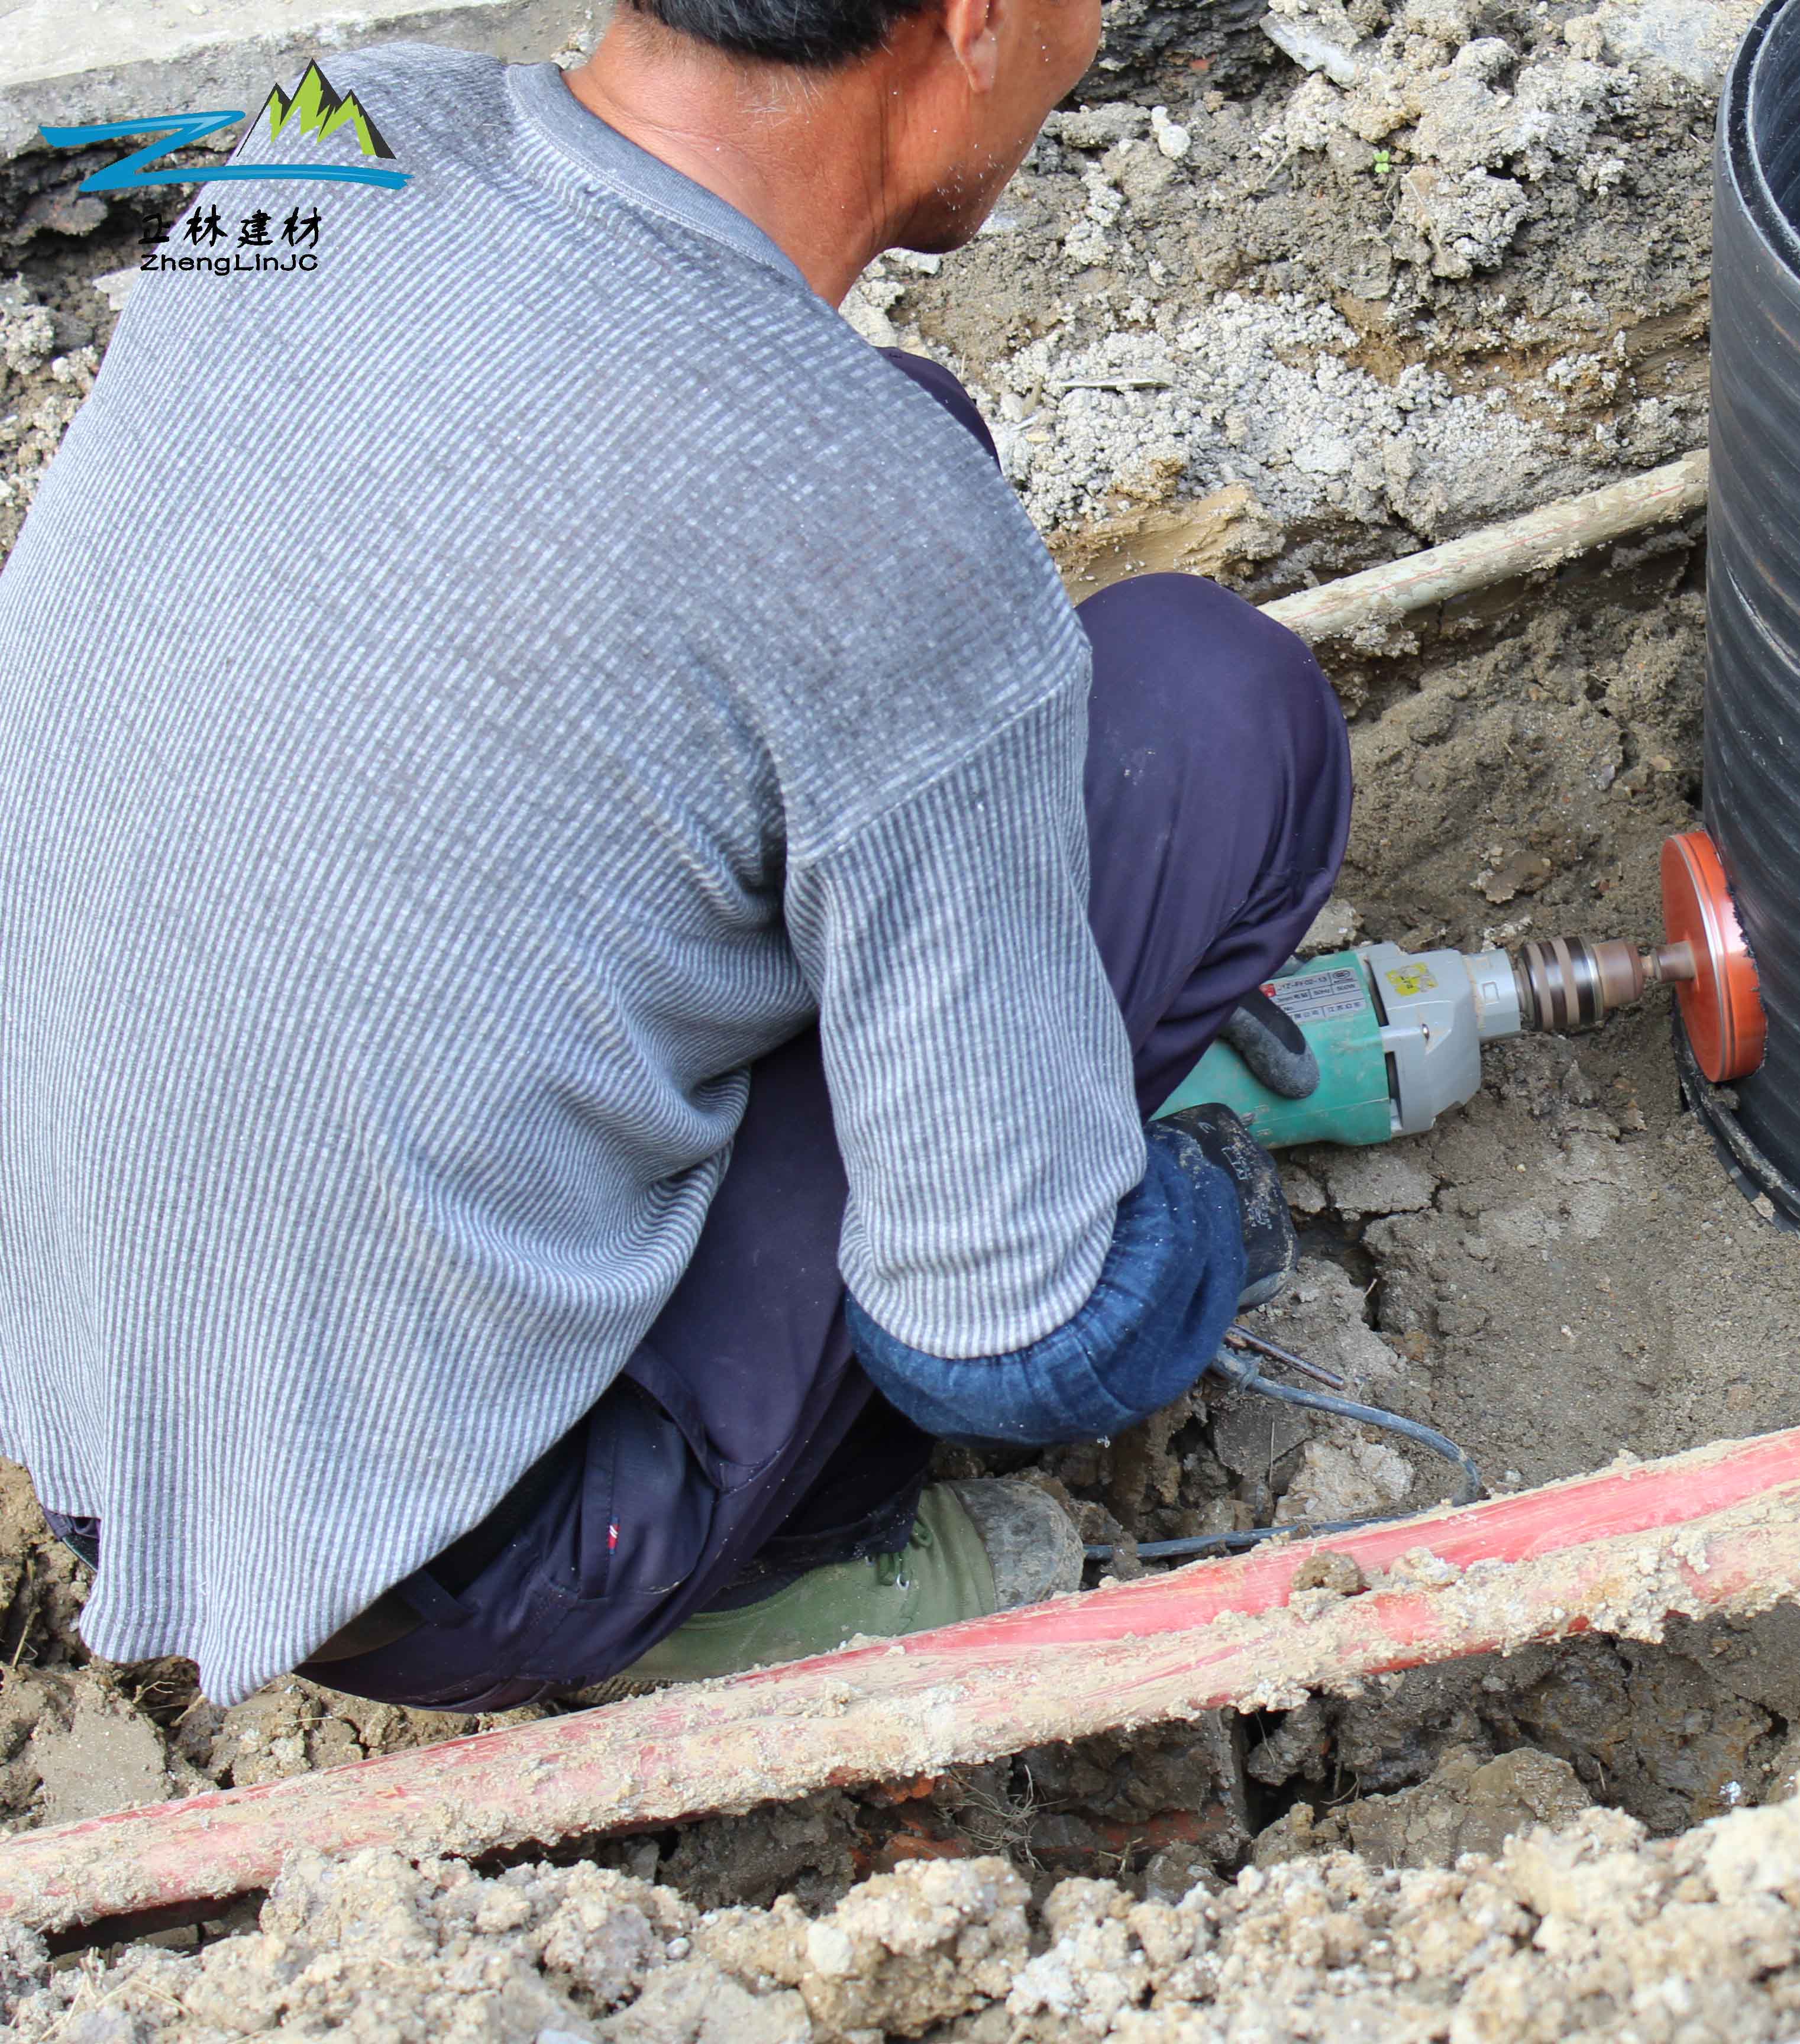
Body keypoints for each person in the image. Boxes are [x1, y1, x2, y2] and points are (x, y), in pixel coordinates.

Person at [0, 0, 1350, 1713]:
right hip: (439, 1562)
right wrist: (1210, 1219)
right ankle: (752, 1580)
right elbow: (1016, 1347)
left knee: (903, 432)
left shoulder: (329, 134)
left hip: (59, 1340)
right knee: (1215, 714)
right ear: (977, 18)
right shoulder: (876, 542)